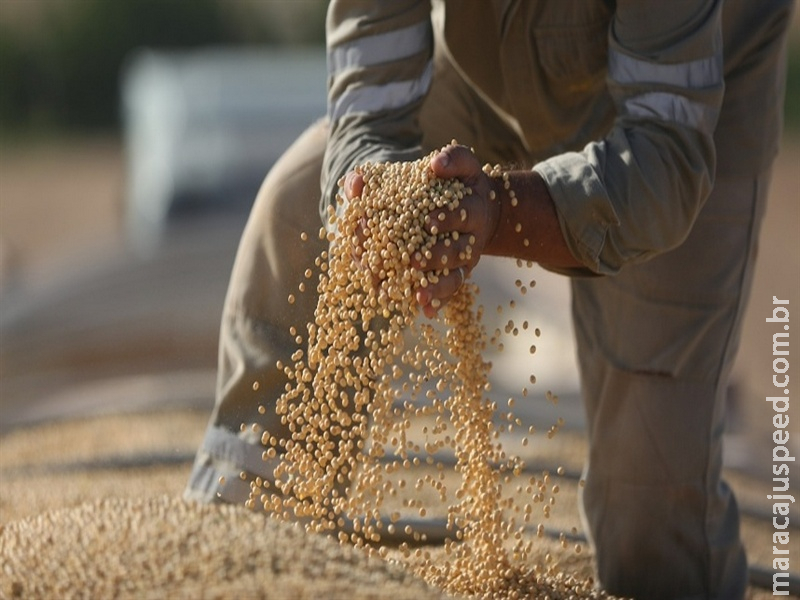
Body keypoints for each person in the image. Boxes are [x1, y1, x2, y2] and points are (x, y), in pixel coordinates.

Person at [185, 1, 793, 597]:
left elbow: (664, 163)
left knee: (650, 520)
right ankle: (238, 541)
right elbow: (370, 108)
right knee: (298, 208)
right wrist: (377, 199)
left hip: (684, 109)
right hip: (484, 71)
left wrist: (497, 212)